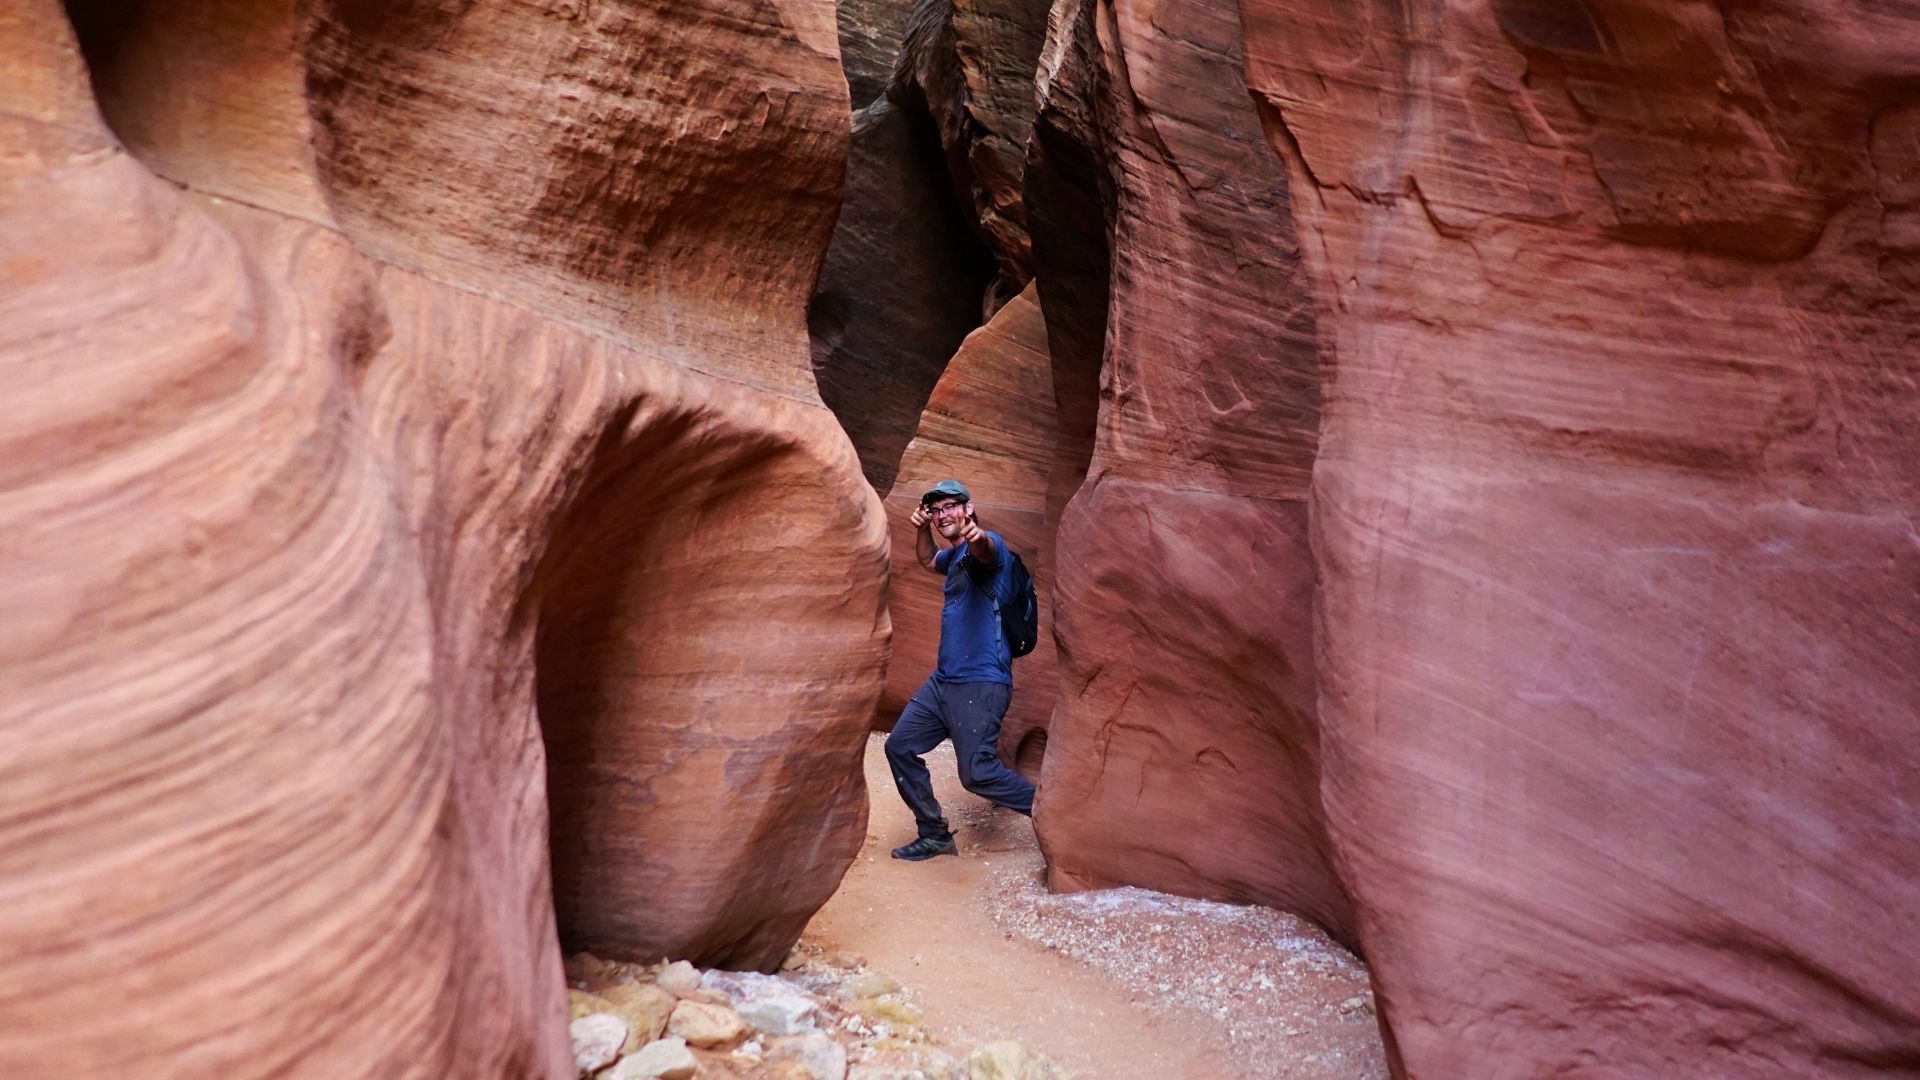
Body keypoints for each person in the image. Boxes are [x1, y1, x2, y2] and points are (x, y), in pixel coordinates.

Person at [884, 478, 1038, 861]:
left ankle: (1054, 813)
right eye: (935, 511)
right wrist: (920, 530)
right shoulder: (953, 558)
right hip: (944, 682)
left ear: (968, 508)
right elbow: (925, 560)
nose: (941, 516)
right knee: (899, 746)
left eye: (950, 506)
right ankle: (934, 833)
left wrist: (976, 536)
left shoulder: (990, 545)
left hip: (981, 682)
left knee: (977, 774)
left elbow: (986, 550)